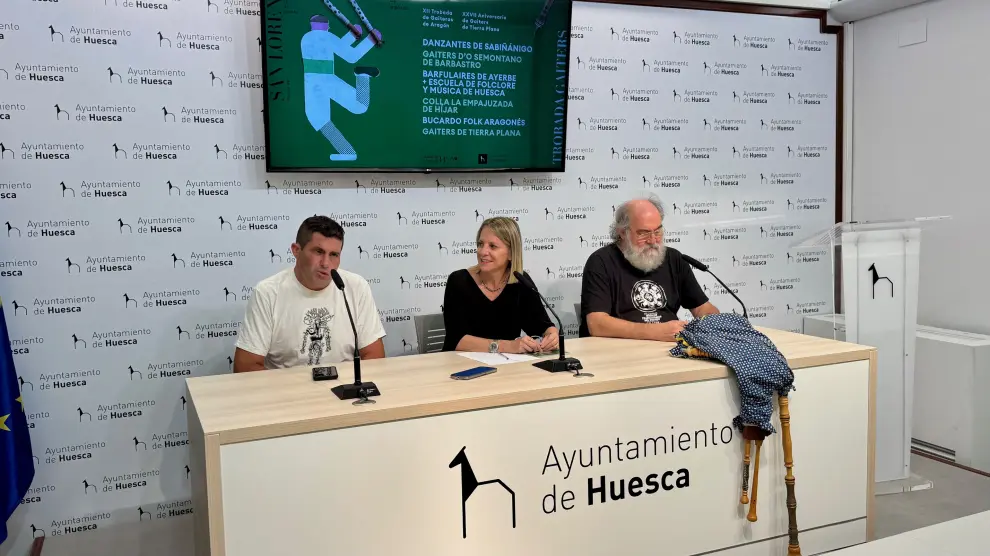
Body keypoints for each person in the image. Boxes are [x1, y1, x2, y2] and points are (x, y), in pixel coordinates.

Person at [233, 216, 386, 372]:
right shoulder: (267, 293)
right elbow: (246, 366)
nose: (326, 263)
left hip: (345, 384)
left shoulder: (356, 287)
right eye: (318, 252)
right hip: (288, 386)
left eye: (334, 254)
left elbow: (374, 356)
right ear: (296, 250)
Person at [580, 196, 719, 342]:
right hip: (620, 349)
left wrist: (714, 323)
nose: (653, 240)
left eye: (657, 231)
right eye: (643, 233)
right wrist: (655, 332)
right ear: (622, 233)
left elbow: (702, 308)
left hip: (670, 347)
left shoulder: (675, 259)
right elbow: (597, 324)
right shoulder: (601, 261)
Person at [442, 217, 559, 354]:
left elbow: (541, 325)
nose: (483, 252)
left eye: (492, 246)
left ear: (511, 253)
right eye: (480, 244)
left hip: (506, 364)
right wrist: (507, 346)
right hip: (460, 363)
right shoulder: (459, 281)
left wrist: (551, 335)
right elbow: (456, 339)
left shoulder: (520, 281)